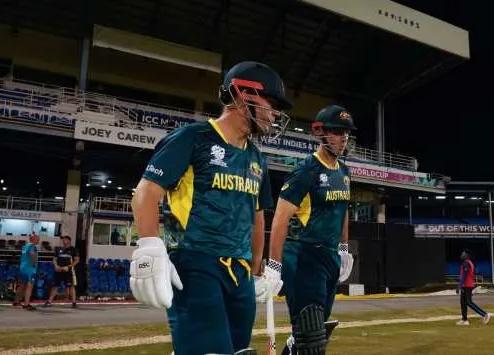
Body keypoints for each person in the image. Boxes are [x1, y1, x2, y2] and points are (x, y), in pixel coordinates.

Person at [129, 60, 291, 355]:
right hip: (195, 260)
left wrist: (258, 271)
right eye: (272, 103)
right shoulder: (193, 137)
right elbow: (146, 191)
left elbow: (257, 217)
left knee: (238, 350)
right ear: (245, 95)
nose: (275, 114)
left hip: (239, 272)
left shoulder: (257, 158)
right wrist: (150, 245)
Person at [258, 104, 356, 355]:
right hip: (303, 256)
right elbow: (279, 219)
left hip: (330, 257)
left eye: (346, 132)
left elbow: (343, 209)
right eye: (336, 131)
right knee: (311, 335)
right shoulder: (306, 171)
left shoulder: (344, 172)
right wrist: (275, 265)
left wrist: (344, 248)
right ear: (320, 132)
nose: (343, 137)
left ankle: (293, 347)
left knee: (315, 333)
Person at [456, 250, 491, 326]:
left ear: (466, 255)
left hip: (467, 286)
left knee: (468, 302)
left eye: (463, 253)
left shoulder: (466, 263)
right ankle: (464, 320)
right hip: (466, 285)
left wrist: (459, 285)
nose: (461, 255)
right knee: (463, 303)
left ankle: (485, 314)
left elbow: (465, 275)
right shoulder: (469, 263)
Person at [45, 236, 79, 308]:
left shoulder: (74, 250)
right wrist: (56, 266)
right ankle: (49, 301)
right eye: (63, 240)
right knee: (55, 286)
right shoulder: (58, 249)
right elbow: (54, 259)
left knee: (71, 286)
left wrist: (68, 267)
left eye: (65, 240)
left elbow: (76, 261)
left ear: (69, 241)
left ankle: (74, 302)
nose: (64, 241)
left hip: (69, 271)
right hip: (59, 270)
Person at [13, 232, 39, 311]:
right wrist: (34, 263)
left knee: (22, 285)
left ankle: (16, 302)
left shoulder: (25, 246)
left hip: (23, 268)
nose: (38, 240)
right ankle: (26, 304)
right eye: (37, 238)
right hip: (30, 269)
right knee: (29, 286)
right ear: (33, 239)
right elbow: (32, 254)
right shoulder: (32, 246)